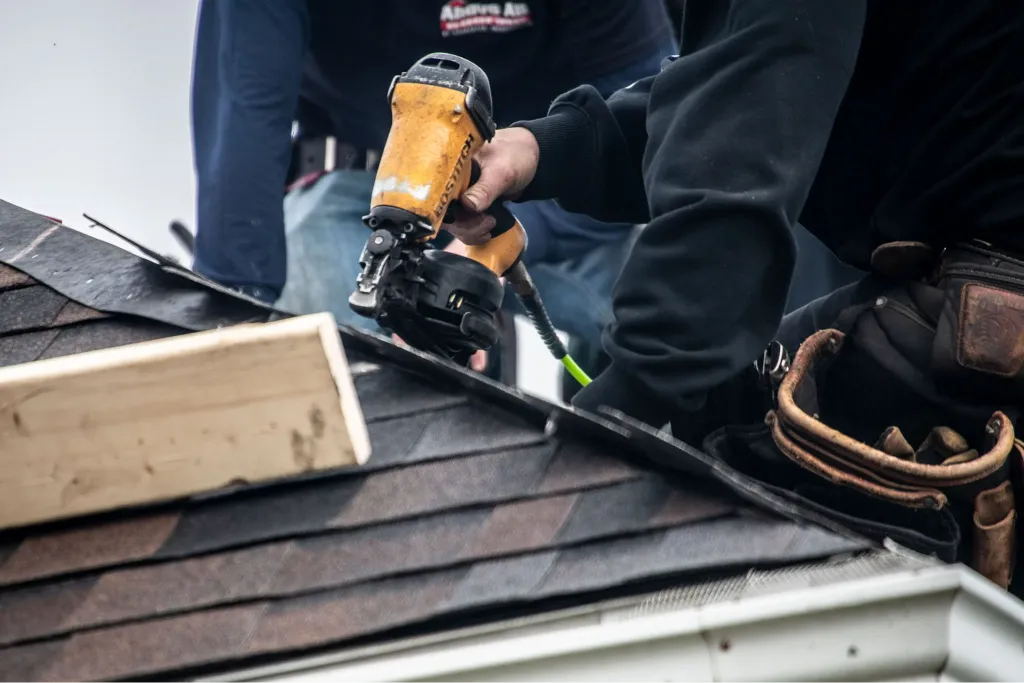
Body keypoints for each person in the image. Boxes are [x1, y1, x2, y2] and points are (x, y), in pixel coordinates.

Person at [449, 2, 1024, 586]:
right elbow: (737, 99)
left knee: (721, 433)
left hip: (993, 316)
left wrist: (599, 434)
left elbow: (737, 170)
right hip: (976, 282)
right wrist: (542, 149)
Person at [189, 0, 678, 384]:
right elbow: (242, 120)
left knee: (677, 306)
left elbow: (656, 131)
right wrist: (233, 314)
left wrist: (484, 252)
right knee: (316, 337)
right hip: (364, 191)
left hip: (553, 190)